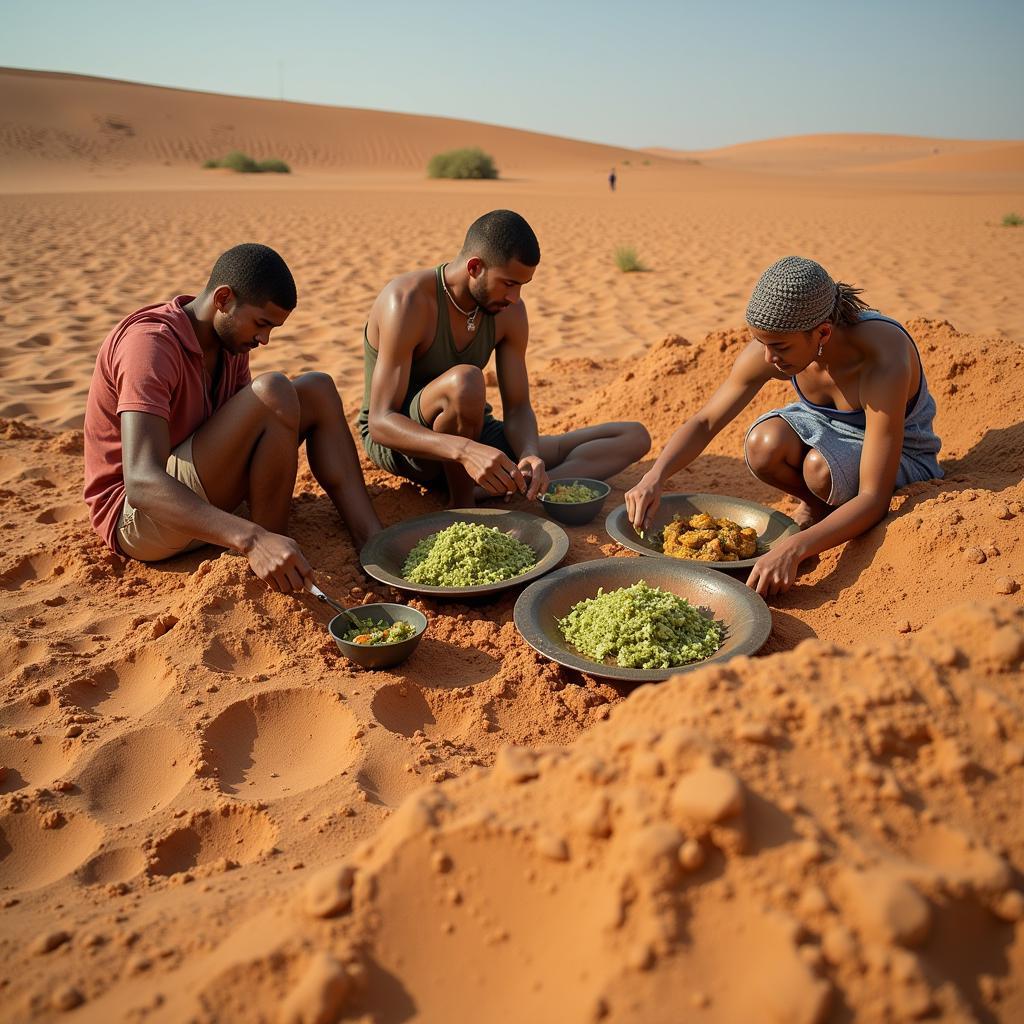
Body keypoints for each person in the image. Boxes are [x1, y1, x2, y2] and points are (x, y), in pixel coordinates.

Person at [625, 256, 943, 596]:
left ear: (822, 331)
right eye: (761, 343)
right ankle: (821, 507)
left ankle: (826, 513)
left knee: (820, 470)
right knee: (764, 443)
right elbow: (705, 421)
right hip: (828, 432)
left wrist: (794, 548)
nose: (767, 359)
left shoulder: (882, 359)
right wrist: (654, 477)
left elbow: (873, 496)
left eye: (778, 347)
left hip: (901, 454)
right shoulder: (780, 342)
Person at [83, 243, 382, 594]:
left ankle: (373, 542)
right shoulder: (149, 346)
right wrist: (253, 539)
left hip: (198, 493)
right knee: (273, 391)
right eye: (261, 323)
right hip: (140, 519)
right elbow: (141, 482)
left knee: (317, 387)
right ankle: (272, 553)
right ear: (223, 299)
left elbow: (251, 431)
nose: (265, 339)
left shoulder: (229, 340)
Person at [359, 209, 650, 506]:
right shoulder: (407, 301)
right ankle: (463, 505)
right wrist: (465, 451)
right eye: (509, 284)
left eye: (523, 286)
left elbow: (519, 407)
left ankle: (521, 488)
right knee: (466, 381)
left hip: (472, 432)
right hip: (408, 445)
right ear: (475, 268)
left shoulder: (509, 310)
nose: (515, 298)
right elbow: (381, 423)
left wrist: (528, 453)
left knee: (633, 436)